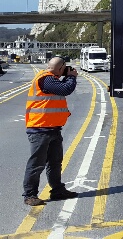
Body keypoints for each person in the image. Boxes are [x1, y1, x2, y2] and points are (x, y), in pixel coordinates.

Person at [23, 56, 79, 206]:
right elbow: (66, 89)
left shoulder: (52, 79)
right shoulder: (46, 79)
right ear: (61, 68)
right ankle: (30, 195)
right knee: (37, 164)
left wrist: (66, 76)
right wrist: (72, 77)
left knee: (55, 162)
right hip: (39, 129)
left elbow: (59, 90)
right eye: (64, 68)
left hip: (53, 128)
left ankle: (57, 190)